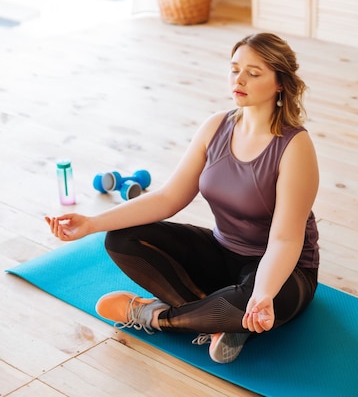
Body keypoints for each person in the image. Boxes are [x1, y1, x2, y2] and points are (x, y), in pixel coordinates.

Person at [45, 33, 320, 364]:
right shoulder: (216, 126)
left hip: (284, 271)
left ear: (280, 83)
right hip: (222, 253)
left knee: (253, 300)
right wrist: (91, 223)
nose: (239, 80)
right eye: (234, 69)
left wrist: (263, 293)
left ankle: (153, 316)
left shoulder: (295, 147)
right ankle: (223, 321)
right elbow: (168, 197)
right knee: (121, 239)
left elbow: (284, 240)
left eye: (254, 72)